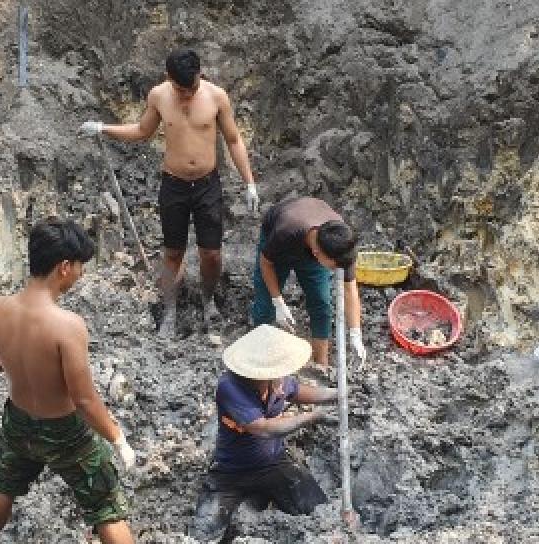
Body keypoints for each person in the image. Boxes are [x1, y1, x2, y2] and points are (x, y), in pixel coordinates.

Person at [0, 219, 137, 544]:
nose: (81, 274)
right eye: (79, 266)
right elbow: (85, 401)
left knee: (3, 487)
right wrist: (118, 440)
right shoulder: (67, 326)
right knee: (106, 507)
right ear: (64, 267)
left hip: (18, 423)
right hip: (66, 433)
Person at [79, 48, 259, 336]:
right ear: (169, 79)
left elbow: (234, 140)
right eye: (181, 89)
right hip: (173, 185)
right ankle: (170, 310)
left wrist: (249, 182)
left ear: (200, 75)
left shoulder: (216, 97)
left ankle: (208, 299)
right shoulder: (159, 96)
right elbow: (141, 131)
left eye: (192, 88)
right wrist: (103, 128)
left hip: (207, 185)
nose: (187, 95)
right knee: (173, 252)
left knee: (211, 253)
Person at [190, 324, 338, 542]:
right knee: (202, 534)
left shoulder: (278, 379)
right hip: (231, 473)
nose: (282, 381)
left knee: (319, 512)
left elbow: (298, 392)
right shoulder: (230, 387)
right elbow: (264, 429)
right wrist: (312, 417)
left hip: (274, 464)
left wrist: (336, 393)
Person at [250, 196, 366, 366]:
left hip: (312, 242)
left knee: (321, 303)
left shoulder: (342, 244)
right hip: (281, 242)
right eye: (333, 268)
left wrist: (356, 335)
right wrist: (278, 302)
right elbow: (266, 263)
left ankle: (321, 364)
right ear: (317, 253)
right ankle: (259, 359)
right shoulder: (285, 231)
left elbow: (350, 289)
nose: (335, 271)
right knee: (265, 304)